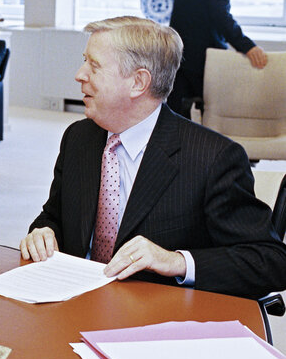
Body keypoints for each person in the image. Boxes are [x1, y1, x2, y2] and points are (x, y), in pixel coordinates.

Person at [19, 16, 286, 300]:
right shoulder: (78, 138)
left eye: (94, 65)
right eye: (84, 61)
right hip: (74, 305)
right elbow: (54, 216)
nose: (79, 74)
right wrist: (43, 231)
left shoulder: (212, 158)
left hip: (156, 318)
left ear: (138, 82)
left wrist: (176, 261)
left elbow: (269, 261)